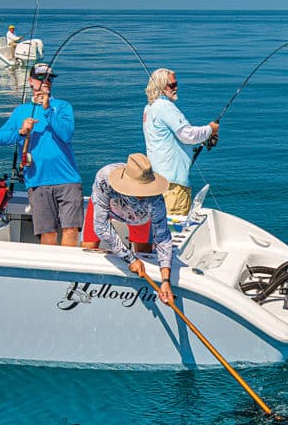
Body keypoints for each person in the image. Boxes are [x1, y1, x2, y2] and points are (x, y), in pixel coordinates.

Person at [0, 62, 82, 246]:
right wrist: (20, 131)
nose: (46, 81)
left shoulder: (63, 106)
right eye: (41, 77)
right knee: (47, 233)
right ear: (31, 81)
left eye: (50, 78)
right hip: (37, 180)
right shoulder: (21, 111)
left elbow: (67, 134)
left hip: (67, 178)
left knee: (71, 229)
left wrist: (47, 109)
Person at [90, 153, 176, 305]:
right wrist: (130, 258)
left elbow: (162, 238)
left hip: (139, 217)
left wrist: (165, 279)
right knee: (88, 248)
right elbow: (101, 226)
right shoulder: (104, 178)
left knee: (145, 253)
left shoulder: (155, 199)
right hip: (108, 208)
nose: (143, 194)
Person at [142, 68, 219, 216]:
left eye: (176, 84)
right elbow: (187, 135)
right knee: (173, 226)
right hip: (173, 183)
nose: (176, 88)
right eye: (171, 85)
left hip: (157, 179)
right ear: (160, 86)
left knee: (158, 225)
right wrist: (210, 129)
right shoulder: (165, 107)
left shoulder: (149, 108)